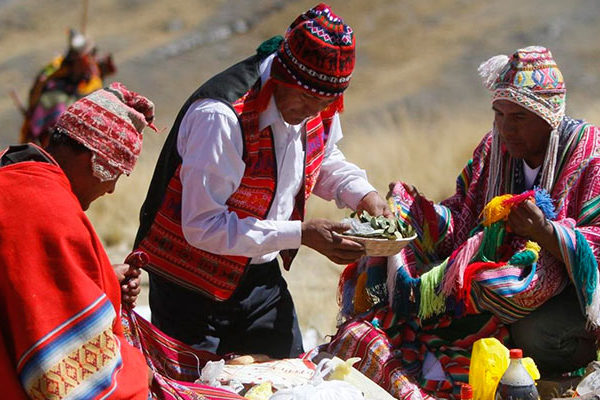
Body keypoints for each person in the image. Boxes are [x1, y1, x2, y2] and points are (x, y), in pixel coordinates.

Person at [324, 46, 600, 399]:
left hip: (568, 295)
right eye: (498, 114)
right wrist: (417, 215)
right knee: (428, 278)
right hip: (495, 280)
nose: (505, 128)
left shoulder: (588, 154)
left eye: (518, 118)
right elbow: (462, 215)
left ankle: (549, 365)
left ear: (548, 116)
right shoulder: (493, 148)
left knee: (535, 332)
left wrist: (544, 232)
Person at [133, 2, 390, 359]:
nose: (315, 112)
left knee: (289, 381)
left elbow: (321, 156)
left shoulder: (315, 102)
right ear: (281, 76)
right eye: (307, 99)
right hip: (188, 285)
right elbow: (202, 225)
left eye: (327, 102)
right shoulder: (221, 117)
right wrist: (301, 233)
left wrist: (363, 195)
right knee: (197, 390)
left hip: (258, 281)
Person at [0, 83, 156, 399]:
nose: (111, 190)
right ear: (96, 163)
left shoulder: (15, 171)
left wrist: (101, 279)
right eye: (116, 174)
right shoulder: (46, 209)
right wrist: (138, 371)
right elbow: (65, 374)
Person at [19, 28, 116, 147]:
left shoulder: (93, 78)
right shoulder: (57, 67)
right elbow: (40, 83)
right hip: (48, 117)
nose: (86, 62)